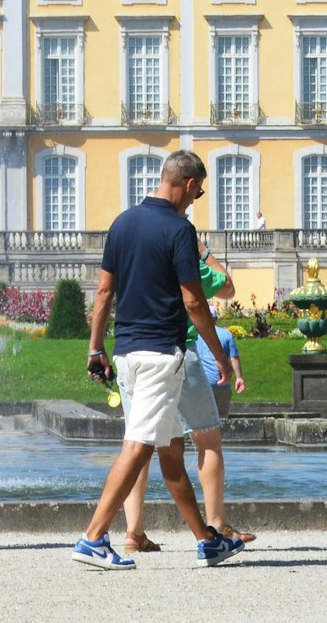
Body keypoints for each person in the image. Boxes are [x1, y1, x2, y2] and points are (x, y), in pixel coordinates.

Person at [71, 151, 237, 571]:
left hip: (126, 353)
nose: (195, 198)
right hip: (161, 356)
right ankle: (93, 537)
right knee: (137, 447)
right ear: (185, 184)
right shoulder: (181, 230)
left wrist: (95, 349)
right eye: (197, 191)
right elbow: (194, 300)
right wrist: (219, 355)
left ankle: (207, 540)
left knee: (168, 452)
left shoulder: (123, 223)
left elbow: (104, 293)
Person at [120, 233, 251, 555]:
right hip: (178, 352)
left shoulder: (137, 259)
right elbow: (227, 287)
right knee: (208, 438)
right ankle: (217, 524)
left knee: (139, 445)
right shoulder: (185, 262)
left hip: (132, 353)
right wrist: (203, 251)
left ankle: (133, 532)